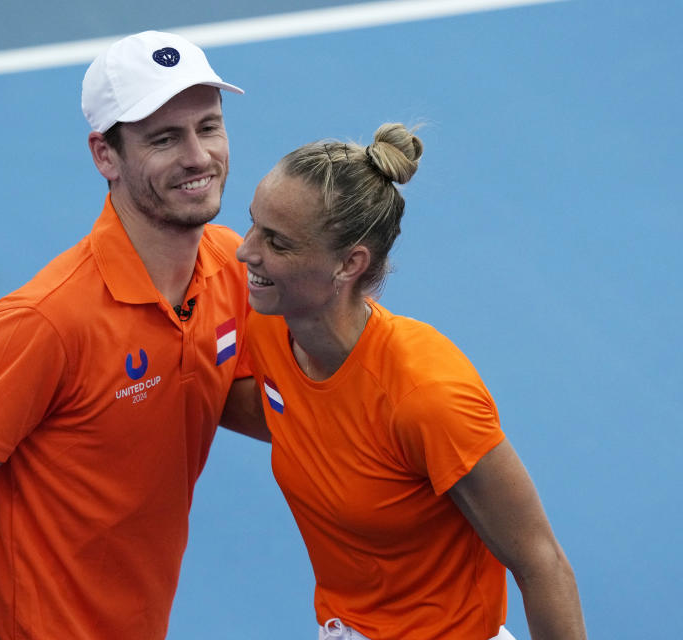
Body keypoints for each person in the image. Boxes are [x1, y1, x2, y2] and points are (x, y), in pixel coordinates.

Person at [0, 30, 266, 640]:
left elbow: (234, 394)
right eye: (165, 138)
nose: (198, 156)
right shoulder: (45, 321)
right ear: (106, 155)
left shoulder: (229, 267)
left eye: (209, 126)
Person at [236, 124, 586, 640]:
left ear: (348, 264)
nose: (245, 252)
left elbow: (540, 561)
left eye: (277, 243)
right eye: (252, 225)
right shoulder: (267, 324)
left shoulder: (427, 394)